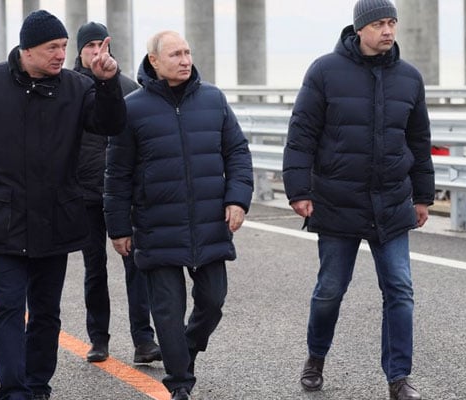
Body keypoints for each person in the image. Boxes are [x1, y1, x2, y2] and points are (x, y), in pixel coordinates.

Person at [0, 9, 126, 400]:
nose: (60, 55)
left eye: (64, 47)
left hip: (55, 217)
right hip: (3, 217)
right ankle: (13, 390)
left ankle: (37, 386)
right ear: (27, 49)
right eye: (53, 47)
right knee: (9, 307)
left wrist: (107, 82)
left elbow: (111, 124)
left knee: (46, 312)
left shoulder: (77, 87)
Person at [282, 0, 435, 398]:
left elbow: (418, 141)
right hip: (337, 201)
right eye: (380, 24)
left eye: (392, 23)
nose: (388, 31)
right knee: (330, 289)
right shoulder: (324, 72)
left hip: (392, 203)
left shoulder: (409, 78)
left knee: (400, 289)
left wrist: (423, 196)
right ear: (359, 28)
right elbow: (302, 134)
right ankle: (316, 356)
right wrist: (298, 190)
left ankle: (398, 378)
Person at [103, 30, 253, 400]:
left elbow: (237, 153)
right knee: (167, 313)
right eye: (175, 54)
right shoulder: (133, 108)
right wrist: (119, 228)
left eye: (187, 52)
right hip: (157, 227)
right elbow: (117, 174)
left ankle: (185, 350)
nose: (185, 60)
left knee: (213, 302)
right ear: (154, 61)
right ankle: (180, 385)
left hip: (209, 225)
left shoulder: (214, 99)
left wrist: (238, 199)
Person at [74, 21, 161, 365]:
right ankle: (98, 339)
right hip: (84, 194)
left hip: (124, 194)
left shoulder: (128, 88)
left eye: (101, 44)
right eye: (89, 46)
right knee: (94, 268)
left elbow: (142, 140)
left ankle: (144, 340)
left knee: (136, 266)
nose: (96, 51)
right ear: (78, 51)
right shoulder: (68, 89)